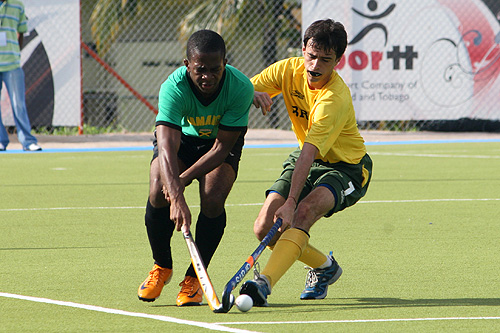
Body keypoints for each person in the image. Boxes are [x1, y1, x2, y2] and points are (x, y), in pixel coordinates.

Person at [239, 19, 373, 306]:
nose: (315, 65)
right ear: (303, 50)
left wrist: (291, 201)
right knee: (263, 227)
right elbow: (241, 90)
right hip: (305, 157)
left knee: (302, 212)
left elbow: (310, 152)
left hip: (346, 167)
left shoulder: (334, 99)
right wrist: (249, 92)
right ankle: (325, 267)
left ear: (338, 60)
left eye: (326, 59)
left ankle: (263, 284)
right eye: (311, 56)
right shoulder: (286, 71)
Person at [137, 29, 254, 307]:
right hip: (183, 142)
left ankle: (194, 278)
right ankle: (162, 266)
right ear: (187, 64)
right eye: (200, 69)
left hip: (218, 143)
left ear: (225, 63)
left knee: (213, 198)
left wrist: (181, 182)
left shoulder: (240, 87)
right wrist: (174, 193)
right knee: (158, 190)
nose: (208, 77)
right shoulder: (173, 87)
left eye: (215, 69)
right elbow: (166, 146)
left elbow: (221, 149)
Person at [0, 0, 41, 151]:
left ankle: (28, 141)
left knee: (18, 104)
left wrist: (17, 54)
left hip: (12, 64)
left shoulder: (17, 5)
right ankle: (1, 140)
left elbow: (21, 32)